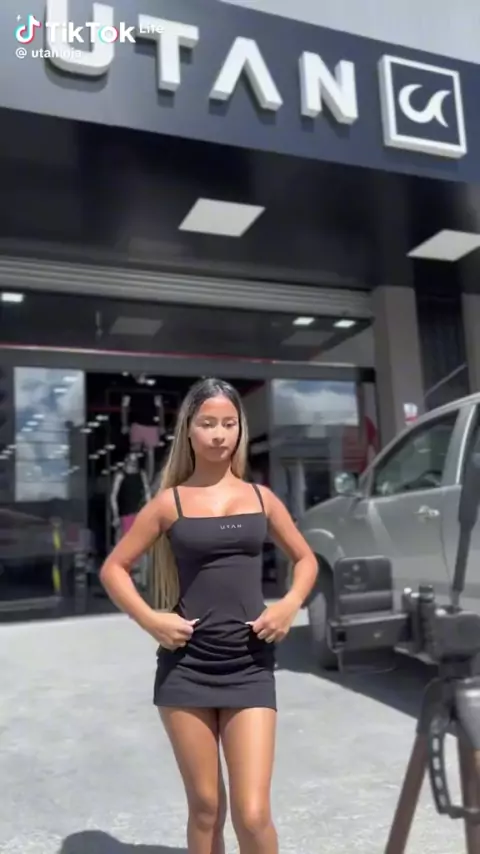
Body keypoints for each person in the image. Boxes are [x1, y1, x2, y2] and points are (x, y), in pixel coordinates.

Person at [99, 377, 319, 854]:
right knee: (205, 808)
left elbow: (306, 559)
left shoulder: (261, 498)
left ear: (240, 429)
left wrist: (288, 605)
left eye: (229, 423)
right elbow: (114, 568)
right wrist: (151, 619)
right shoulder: (170, 502)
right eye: (208, 423)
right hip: (187, 669)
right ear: (189, 430)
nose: (219, 434)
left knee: (253, 815)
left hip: (249, 666)